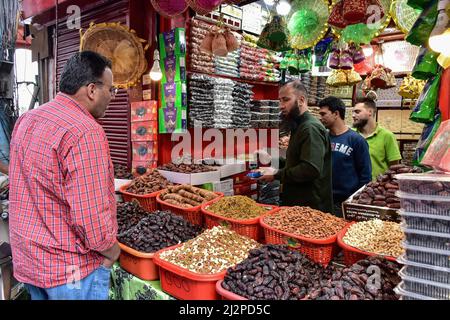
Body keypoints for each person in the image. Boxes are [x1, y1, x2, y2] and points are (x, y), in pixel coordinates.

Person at [9, 51, 120, 300]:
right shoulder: (84, 131)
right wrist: (111, 250)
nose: (112, 98)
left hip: (30, 261)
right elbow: (90, 215)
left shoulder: (28, 119)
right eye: (111, 90)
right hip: (70, 271)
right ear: (92, 90)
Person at [258, 80, 334, 214]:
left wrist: (276, 174)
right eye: (280, 101)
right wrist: (272, 159)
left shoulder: (310, 128)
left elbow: (310, 169)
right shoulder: (298, 126)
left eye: (286, 100)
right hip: (300, 206)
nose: (281, 106)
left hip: (311, 209)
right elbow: (298, 162)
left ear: (301, 100)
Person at [318, 96, 372, 216]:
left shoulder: (356, 140)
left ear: (336, 113)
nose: (320, 118)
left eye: (323, 114)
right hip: (322, 201)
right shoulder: (322, 138)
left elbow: (365, 176)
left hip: (345, 203)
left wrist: (355, 202)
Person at [352, 93, 402, 180]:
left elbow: (394, 168)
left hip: (376, 190)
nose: (353, 115)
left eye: (357, 112)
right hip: (353, 189)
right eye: (353, 112)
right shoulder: (351, 135)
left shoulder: (387, 136)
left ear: (370, 112)